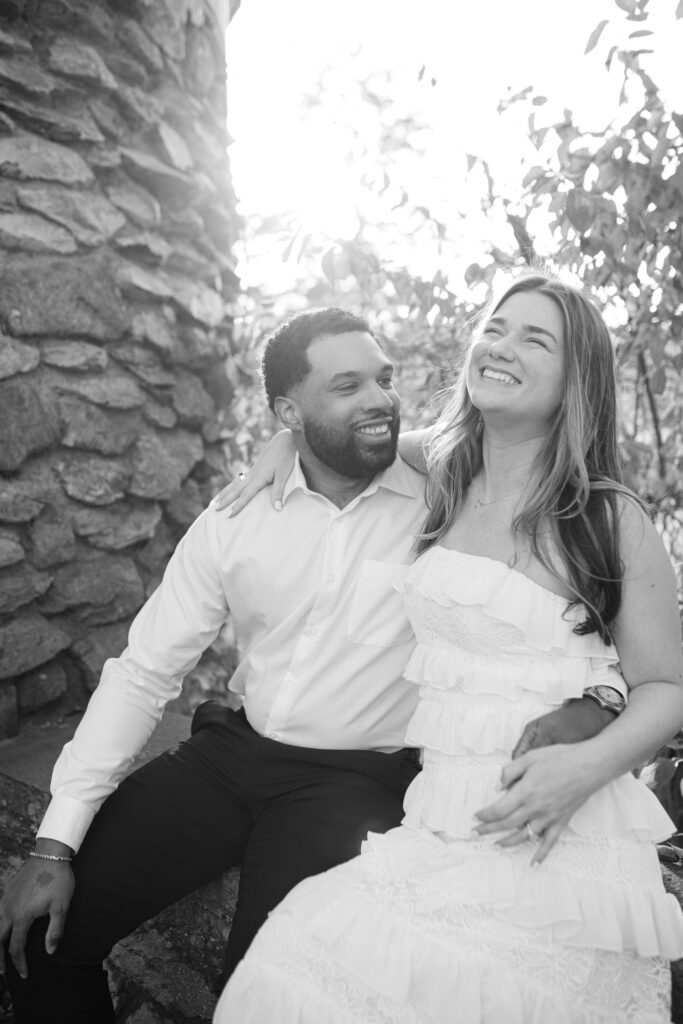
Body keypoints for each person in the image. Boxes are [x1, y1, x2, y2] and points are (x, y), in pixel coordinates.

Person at [0, 307, 624, 1024]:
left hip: (354, 781)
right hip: (230, 753)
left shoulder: (446, 504)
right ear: (287, 411)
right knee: (39, 946)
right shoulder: (236, 517)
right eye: (347, 385)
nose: (379, 399)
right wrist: (55, 845)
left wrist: (600, 696)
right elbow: (144, 673)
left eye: (383, 380)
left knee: (263, 999)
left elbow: (571, 625)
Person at [214, 273, 683, 1023]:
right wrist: (286, 435)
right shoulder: (445, 471)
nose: (500, 347)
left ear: (576, 381)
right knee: (287, 969)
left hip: (558, 840)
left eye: (535, 339)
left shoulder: (604, 514)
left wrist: (582, 769)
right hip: (435, 822)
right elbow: (346, 439)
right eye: (495, 328)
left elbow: (667, 686)